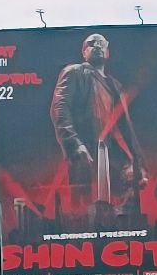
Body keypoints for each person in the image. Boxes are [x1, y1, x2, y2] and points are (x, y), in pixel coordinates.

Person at [50, 33, 147, 203]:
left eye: (101, 43)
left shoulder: (114, 85)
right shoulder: (74, 72)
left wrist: (138, 163)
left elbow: (126, 127)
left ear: (107, 52)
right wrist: (74, 144)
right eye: (91, 43)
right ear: (84, 52)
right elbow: (60, 108)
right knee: (83, 207)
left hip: (110, 156)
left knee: (116, 207)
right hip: (85, 152)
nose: (97, 46)